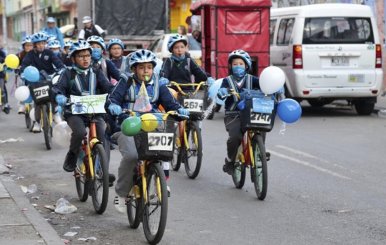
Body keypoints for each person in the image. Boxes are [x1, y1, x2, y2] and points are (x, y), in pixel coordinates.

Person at [106, 49, 189, 212]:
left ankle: (161, 179)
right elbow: (112, 99)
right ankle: (122, 194)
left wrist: (180, 110)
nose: (146, 71)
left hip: (152, 125)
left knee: (162, 149)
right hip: (127, 126)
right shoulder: (125, 81)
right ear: (134, 69)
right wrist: (114, 106)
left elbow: (171, 104)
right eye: (141, 67)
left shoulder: (159, 83)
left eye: (149, 67)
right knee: (131, 156)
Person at [52, 40, 116, 186]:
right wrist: (59, 96)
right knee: (80, 132)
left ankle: (102, 170)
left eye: (87, 55)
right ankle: (72, 155)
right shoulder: (67, 73)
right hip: (75, 112)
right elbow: (57, 88)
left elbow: (108, 87)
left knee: (103, 133)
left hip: (95, 112)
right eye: (81, 56)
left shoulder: (96, 72)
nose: (85, 59)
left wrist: (114, 100)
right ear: (74, 58)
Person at [216, 50, 263, 175]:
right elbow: (221, 92)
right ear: (230, 66)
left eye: (241, 64)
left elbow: (264, 85)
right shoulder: (227, 80)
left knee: (262, 126)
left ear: (246, 66)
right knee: (235, 137)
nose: (238, 66)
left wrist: (273, 88)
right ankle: (230, 160)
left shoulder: (253, 79)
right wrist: (222, 92)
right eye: (235, 64)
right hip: (233, 115)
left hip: (251, 113)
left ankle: (260, 150)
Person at [20, 32, 65, 132]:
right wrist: (22, 72)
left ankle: (56, 113)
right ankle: (36, 122)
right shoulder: (30, 54)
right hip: (36, 80)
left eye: (43, 43)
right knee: (37, 101)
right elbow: (24, 64)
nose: (41, 45)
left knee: (55, 93)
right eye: (39, 43)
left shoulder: (49, 53)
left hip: (49, 77)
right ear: (35, 45)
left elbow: (58, 62)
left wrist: (62, 68)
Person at [16, 35, 34, 114]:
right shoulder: (19, 55)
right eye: (27, 45)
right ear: (24, 46)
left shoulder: (36, 54)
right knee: (20, 83)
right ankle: (22, 105)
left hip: (34, 76)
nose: (29, 47)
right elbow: (14, 65)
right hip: (23, 75)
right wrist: (17, 69)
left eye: (31, 45)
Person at [0, 47, 10, 114]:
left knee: (3, 89)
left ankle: (5, 104)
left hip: (0, 75)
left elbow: (6, 61)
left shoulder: (2, 52)